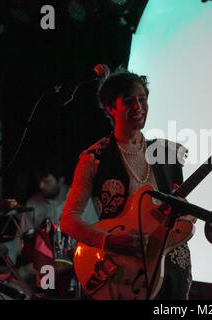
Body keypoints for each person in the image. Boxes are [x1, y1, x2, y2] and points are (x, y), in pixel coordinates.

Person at [60, 71, 193, 300]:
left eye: (142, 99)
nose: (139, 106)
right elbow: (69, 220)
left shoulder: (168, 152)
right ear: (111, 108)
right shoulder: (94, 158)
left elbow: (184, 212)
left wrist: (186, 213)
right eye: (129, 101)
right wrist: (108, 240)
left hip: (170, 266)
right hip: (121, 273)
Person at [0, 161, 98, 296]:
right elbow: (21, 240)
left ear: (61, 180)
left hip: (74, 270)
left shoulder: (81, 200)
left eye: (46, 182)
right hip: (42, 271)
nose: (41, 186)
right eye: (39, 181)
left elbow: (94, 237)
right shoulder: (33, 203)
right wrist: (6, 247)